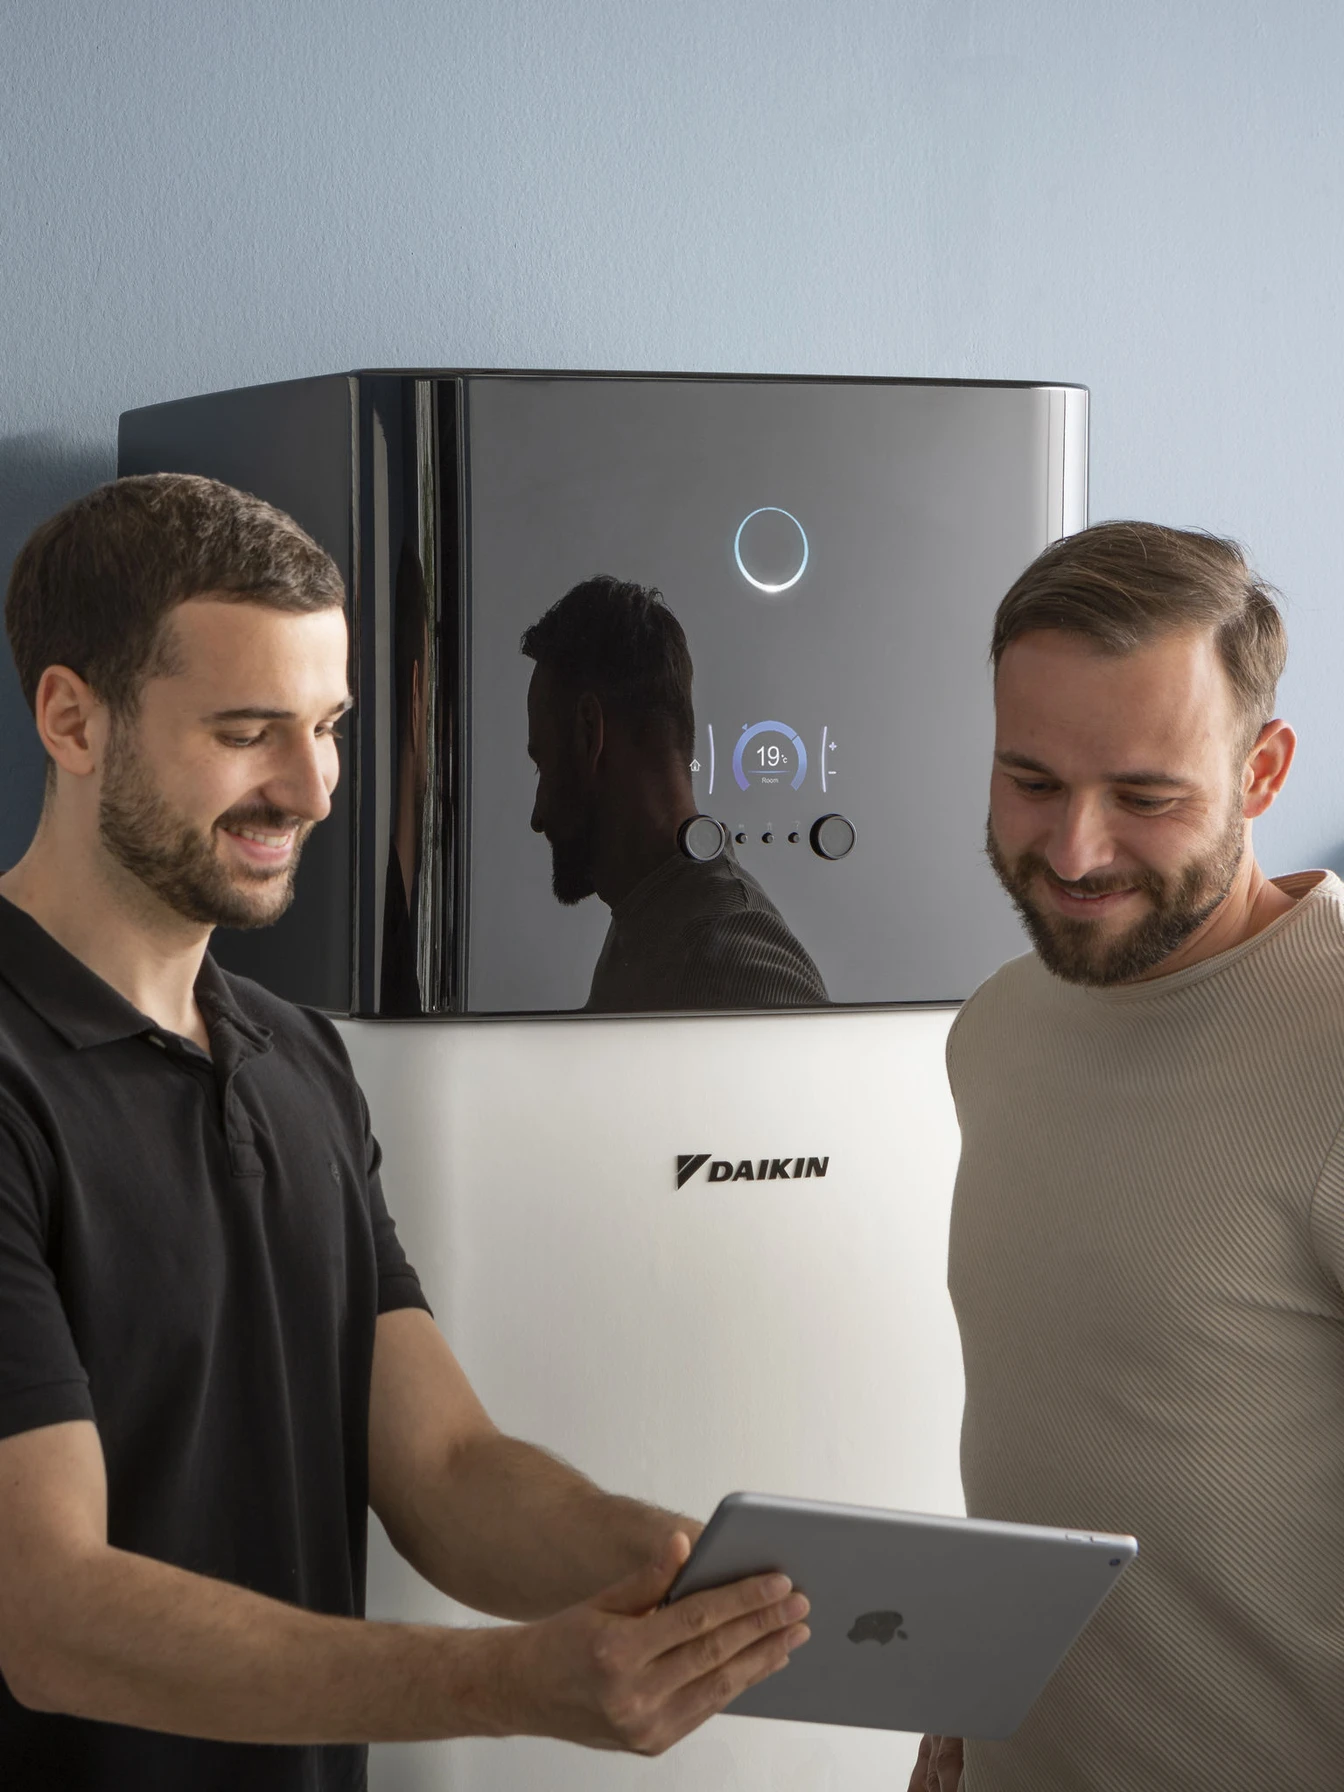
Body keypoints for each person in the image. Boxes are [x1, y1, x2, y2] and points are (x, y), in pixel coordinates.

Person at [0, 475, 811, 1791]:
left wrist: (668, 1567)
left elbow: (441, 1467)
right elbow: (49, 1617)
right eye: (249, 731)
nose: (312, 788)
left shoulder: (299, 1062)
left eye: (328, 727)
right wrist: (509, 1685)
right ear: (71, 717)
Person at [909, 519, 1344, 1791]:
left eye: (1146, 797)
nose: (1076, 849)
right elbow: (1069, 1438)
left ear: (1264, 772)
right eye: (1030, 780)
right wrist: (968, 1718)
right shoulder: (996, 1029)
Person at [521, 576, 828, 1010]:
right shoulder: (650, 918)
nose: (537, 815)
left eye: (543, 764)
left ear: (590, 733)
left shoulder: (730, 958)